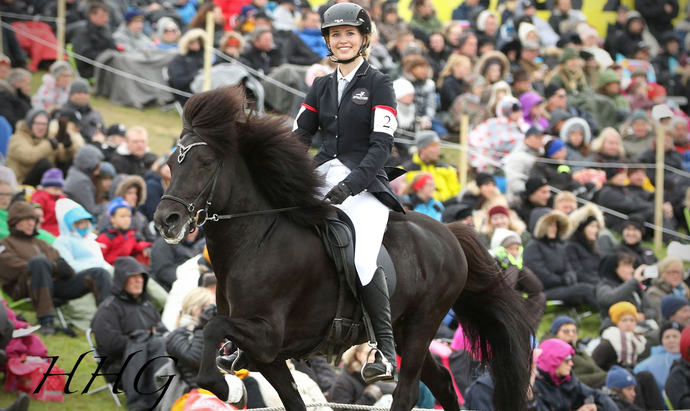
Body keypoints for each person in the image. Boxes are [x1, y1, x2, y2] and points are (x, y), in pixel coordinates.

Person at [291, 3, 402, 383]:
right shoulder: (320, 85)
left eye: (349, 34)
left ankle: (384, 351)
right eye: (335, 34)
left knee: (362, 259)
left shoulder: (379, 83)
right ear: (327, 40)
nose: (342, 40)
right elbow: (298, 138)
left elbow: (381, 146)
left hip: (365, 182)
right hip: (321, 175)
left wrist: (351, 185)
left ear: (363, 38)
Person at [0, 201, 111, 334]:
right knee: (38, 263)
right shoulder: (5, 244)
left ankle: (107, 321)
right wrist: (49, 267)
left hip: (54, 286)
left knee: (99, 273)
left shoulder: (42, 243)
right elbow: (15, 269)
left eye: (33, 220)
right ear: (14, 222)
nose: (31, 223)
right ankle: (46, 322)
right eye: (26, 219)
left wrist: (49, 267)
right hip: (24, 288)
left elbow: (67, 269)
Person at [91, 257, 168, 411]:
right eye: (132, 276)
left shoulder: (147, 306)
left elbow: (163, 331)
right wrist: (144, 338)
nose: (138, 280)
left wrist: (148, 338)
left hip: (153, 358)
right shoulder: (108, 309)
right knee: (156, 344)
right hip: (121, 366)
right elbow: (111, 345)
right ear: (121, 280)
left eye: (141, 276)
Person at [523, 209, 599, 309]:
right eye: (550, 225)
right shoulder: (533, 247)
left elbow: (568, 267)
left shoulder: (558, 246)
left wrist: (569, 275)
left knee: (591, 288)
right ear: (541, 227)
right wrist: (563, 280)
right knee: (585, 289)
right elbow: (541, 276)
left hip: (562, 286)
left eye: (555, 225)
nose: (554, 228)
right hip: (543, 292)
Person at [534, 338, 618, 411]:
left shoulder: (566, 379)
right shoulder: (536, 386)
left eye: (571, 359)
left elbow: (596, 394)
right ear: (553, 361)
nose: (571, 363)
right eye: (567, 359)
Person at [6, 109, 76, 185]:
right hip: (21, 183)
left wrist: (68, 144)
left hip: (43, 181)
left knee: (72, 162)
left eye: (44, 124)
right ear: (29, 124)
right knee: (44, 164)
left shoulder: (46, 139)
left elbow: (63, 158)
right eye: (37, 123)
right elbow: (29, 157)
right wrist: (52, 143)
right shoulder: (17, 138)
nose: (41, 127)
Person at [489, 228, 545, 322]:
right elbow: (506, 289)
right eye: (510, 249)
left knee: (540, 297)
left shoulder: (515, 263)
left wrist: (520, 267)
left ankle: (528, 330)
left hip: (515, 303)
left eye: (517, 249)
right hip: (497, 304)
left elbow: (537, 288)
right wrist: (513, 266)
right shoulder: (492, 264)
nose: (514, 253)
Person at [165, 288, 215, 389]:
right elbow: (196, 359)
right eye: (208, 308)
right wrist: (202, 326)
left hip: (220, 389)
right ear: (195, 310)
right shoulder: (176, 336)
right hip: (195, 393)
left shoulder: (215, 333)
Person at [597, 252, 659, 326]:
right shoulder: (604, 286)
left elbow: (654, 311)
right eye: (627, 266)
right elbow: (610, 298)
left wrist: (644, 315)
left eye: (632, 266)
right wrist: (634, 280)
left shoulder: (635, 287)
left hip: (640, 326)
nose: (632, 270)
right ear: (614, 268)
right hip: (616, 328)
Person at [544, 316, 608, 387]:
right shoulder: (553, 353)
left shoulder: (578, 350)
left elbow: (595, 368)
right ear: (555, 333)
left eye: (574, 331)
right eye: (566, 331)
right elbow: (567, 380)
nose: (571, 334)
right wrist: (607, 377)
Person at [402, 131, 460, 203]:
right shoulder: (404, 171)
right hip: (418, 209)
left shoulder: (448, 169)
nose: (438, 149)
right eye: (434, 146)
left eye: (438, 145)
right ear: (422, 149)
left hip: (446, 208)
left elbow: (456, 193)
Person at [96, 197, 152, 265]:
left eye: (128, 216)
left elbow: (135, 246)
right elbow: (98, 257)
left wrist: (146, 247)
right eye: (122, 216)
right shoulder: (105, 237)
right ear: (112, 218)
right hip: (110, 268)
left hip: (125, 267)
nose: (126, 219)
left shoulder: (130, 234)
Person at [329, 343, 387, 409]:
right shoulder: (343, 383)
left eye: (376, 354)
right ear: (358, 355)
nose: (373, 358)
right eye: (368, 354)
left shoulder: (379, 377)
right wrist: (368, 398)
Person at [634, 321, 683, 394]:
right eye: (667, 337)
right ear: (661, 340)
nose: (671, 340)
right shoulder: (645, 366)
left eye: (675, 336)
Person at [71, 1, 117, 79]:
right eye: (102, 16)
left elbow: (113, 47)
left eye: (107, 16)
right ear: (92, 16)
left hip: (107, 64)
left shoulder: (105, 30)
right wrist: (107, 56)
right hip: (91, 69)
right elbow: (85, 55)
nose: (106, 19)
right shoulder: (83, 32)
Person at [564, 204, 605, 285]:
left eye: (597, 226)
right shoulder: (571, 247)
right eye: (592, 226)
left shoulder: (593, 248)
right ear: (582, 228)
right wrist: (602, 284)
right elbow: (579, 275)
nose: (596, 230)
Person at [63, 145, 106, 217]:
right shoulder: (81, 181)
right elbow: (91, 210)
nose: (98, 172)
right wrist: (107, 206)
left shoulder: (75, 173)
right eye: (97, 167)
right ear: (88, 163)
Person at [166, 29, 206, 106]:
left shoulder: (202, 58)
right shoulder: (178, 60)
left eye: (198, 42)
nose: (196, 45)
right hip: (187, 93)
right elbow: (178, 82)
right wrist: (197, 75)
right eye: (193, 42)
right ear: (186, 43)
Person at [504, 126, 544, 201]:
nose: (540, 140)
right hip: (519, 200)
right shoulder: (517, 157)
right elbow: (514, 183)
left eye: (541, 137)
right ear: (526, 139)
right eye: (536, 137)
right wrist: (534, 189)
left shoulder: (542, 155)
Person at [62, 79, 105, 143]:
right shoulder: (64, 112)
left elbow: (104, 131)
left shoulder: (95, 114)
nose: (82, 96)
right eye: (79, 93)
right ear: (71, 94)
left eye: (85, 93)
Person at [30, 168, 66, 237]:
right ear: (45, 187)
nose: (58, 192)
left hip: (59, 229)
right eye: (55, 189)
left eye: (60, 189)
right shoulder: (40, 198)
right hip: (44, 229)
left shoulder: (62, 198)